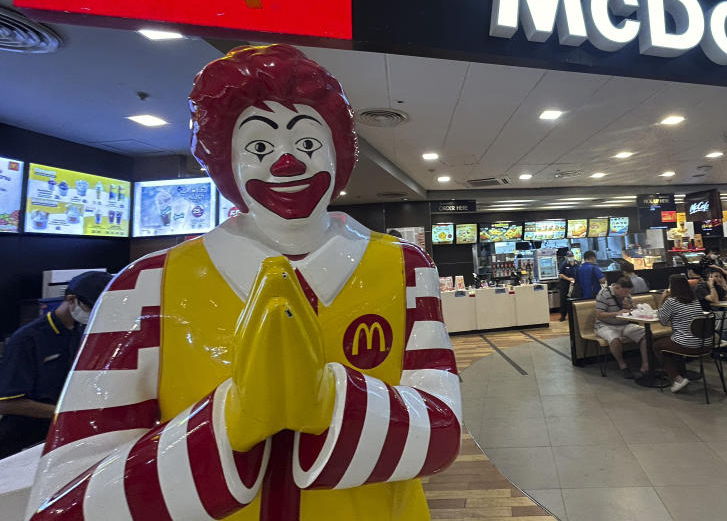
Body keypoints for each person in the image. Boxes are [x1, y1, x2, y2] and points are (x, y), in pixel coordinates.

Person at [25, 45, 461, 521]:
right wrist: (230, 422)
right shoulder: (145, 285)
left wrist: (328, 403)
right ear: (224, 161)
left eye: (308, 144)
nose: (287, 163)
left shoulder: (406, 268)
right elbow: (65, 499)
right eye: (259, 147)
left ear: (338, 152)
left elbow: (443, 433)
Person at [0, 271, 113, 459]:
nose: (96, 315)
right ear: (71, 300)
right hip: (22, 439)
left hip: (60, 436)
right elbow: (7, 403)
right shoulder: (27, 340)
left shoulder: (83, 332)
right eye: (93, 308)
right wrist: (66, 413)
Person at [655, 275, 712, 393]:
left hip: (688, 346)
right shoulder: (695, 299)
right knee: (673, 341)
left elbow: (662, 320)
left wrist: (662, 299)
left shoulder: (671, 301)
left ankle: (678, 379)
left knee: (657, 345)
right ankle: (681, 372)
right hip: (706, 344)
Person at [593, 277, 648, 378]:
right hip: (605, 325)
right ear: (617, 288)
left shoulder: (627, 295)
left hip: (624, 324)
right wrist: (617, 313)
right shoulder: (604, 294)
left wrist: (630, 308)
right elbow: (599, 315)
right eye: (625, 292)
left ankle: (646, 365)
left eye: (629, 292)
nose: (627, 294)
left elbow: (632, 310)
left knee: (646, 335)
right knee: (615, 340)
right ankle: (623, 366)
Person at [557, 252, 579, 321]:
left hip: (575, 283)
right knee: (563, 299)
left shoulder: (577, 263)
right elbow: (561, 274)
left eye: (571, 256)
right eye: (569, 256)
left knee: (575, 298)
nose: (570, 257)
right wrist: (568, 279)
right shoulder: (564, 264)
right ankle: (563, 315)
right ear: (566, 257)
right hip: (565, 283)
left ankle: (573, 315)